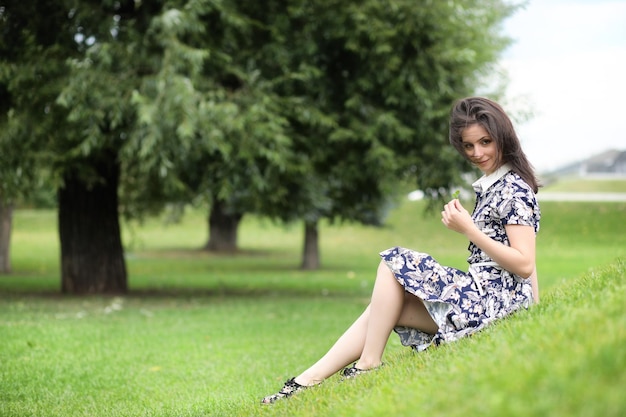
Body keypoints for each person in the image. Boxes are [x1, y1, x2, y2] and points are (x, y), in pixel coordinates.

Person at [261, 96, 541, 404]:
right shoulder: (495, 184)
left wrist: (469, 229)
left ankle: (368, 364)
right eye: (468, 146)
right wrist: (535, 309)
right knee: (386, 308)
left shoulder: (513, 189)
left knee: (394, 261)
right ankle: (306, 381)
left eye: (485, 142)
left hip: (491, 301)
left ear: (502, 135)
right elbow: (530, 258)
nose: (477, 153)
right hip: (487, 297)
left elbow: (525, 263)